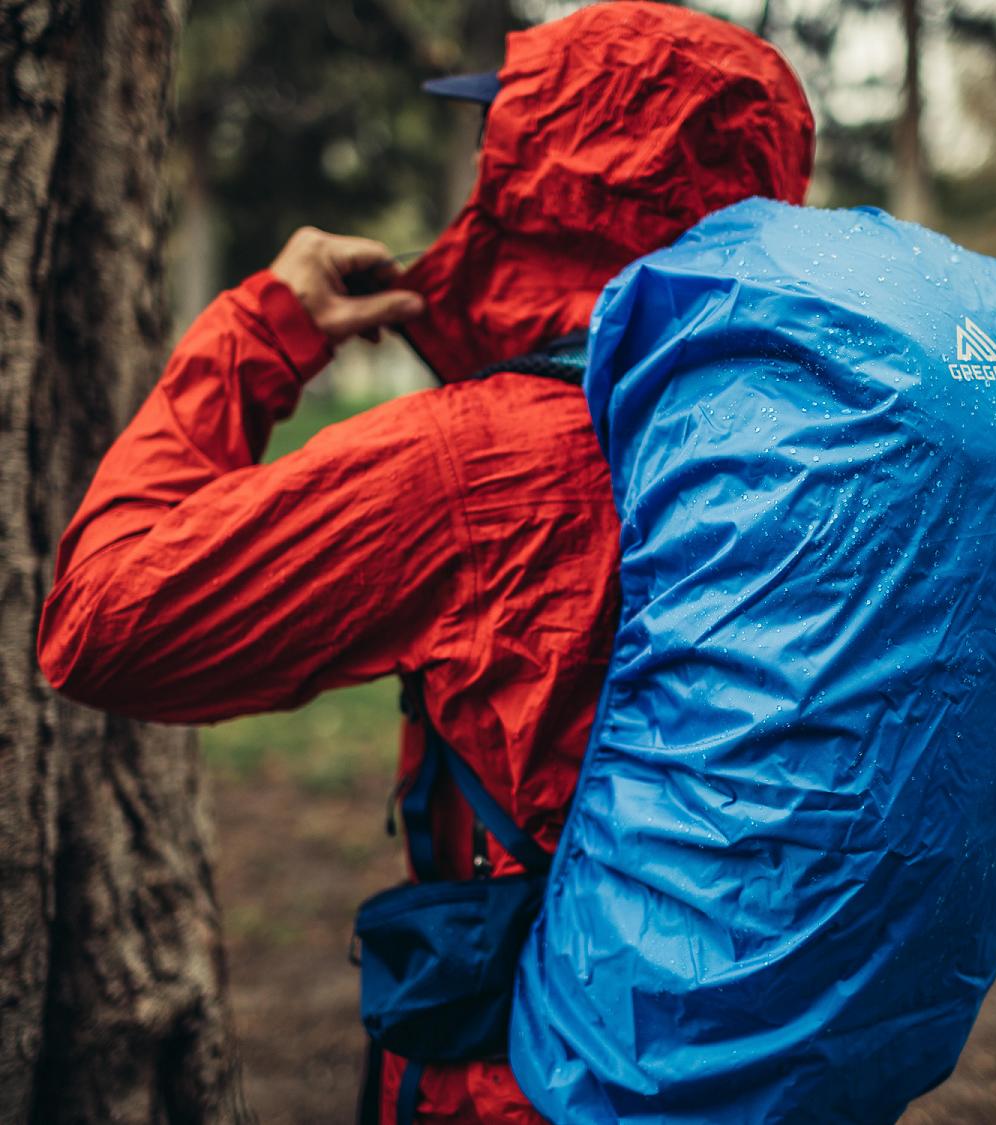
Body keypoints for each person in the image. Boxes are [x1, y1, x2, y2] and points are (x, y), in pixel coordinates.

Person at [38, 3, 813, 1121]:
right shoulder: (797, 437)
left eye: (501, 147)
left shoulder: (484, 461)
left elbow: (104, 622)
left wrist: (258, 334)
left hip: (535, 1071)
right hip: (757, 1059)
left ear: (546, 184)